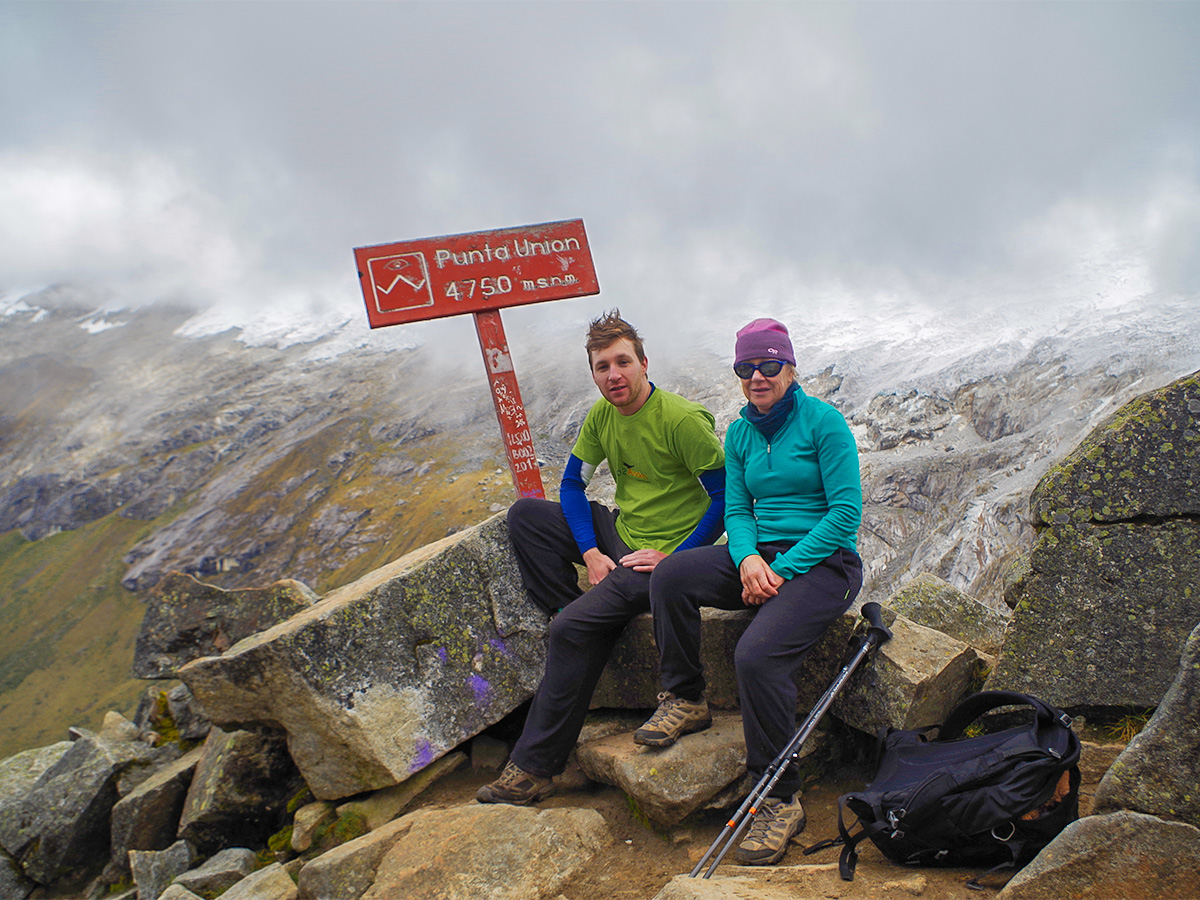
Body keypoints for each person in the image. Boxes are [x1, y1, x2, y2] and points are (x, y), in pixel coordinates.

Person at [635, 317, 863, 866]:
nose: (757, 377)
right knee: (670, 575)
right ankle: (686, 699)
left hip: (824, 563)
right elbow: (737, 510)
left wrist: (781, 569)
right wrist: (749, 560)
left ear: (790, 367)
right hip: (761, 558)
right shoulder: (738, 434)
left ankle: (780, 798)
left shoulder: (823, 424)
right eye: (745, 368)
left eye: (768, 365)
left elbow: (845, 515)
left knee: (756, 657)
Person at [477, 309, 727, 805]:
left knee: (570, 631)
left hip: (658, 559)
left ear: (643, 363)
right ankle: (573, 610)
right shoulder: (602, 415)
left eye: (622, 362)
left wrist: (678, 558)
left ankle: (533, 769)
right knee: (527, 515)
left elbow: (724, 497)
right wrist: (591, 550)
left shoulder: (680, 419)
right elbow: (572, 484)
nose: (613, 375)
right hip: (621, 536)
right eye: (601, 367)